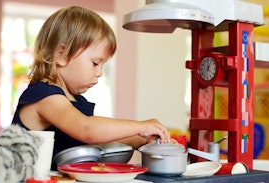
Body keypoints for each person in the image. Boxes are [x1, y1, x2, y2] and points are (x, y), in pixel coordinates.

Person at [11, 6, 175, 169]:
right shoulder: (45, 96)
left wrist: (144, 138)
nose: (100, 73)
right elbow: (87, 130)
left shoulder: (74, 101)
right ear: (61, 54)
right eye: (95, 63)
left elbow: (100, 136)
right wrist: (141, 125)